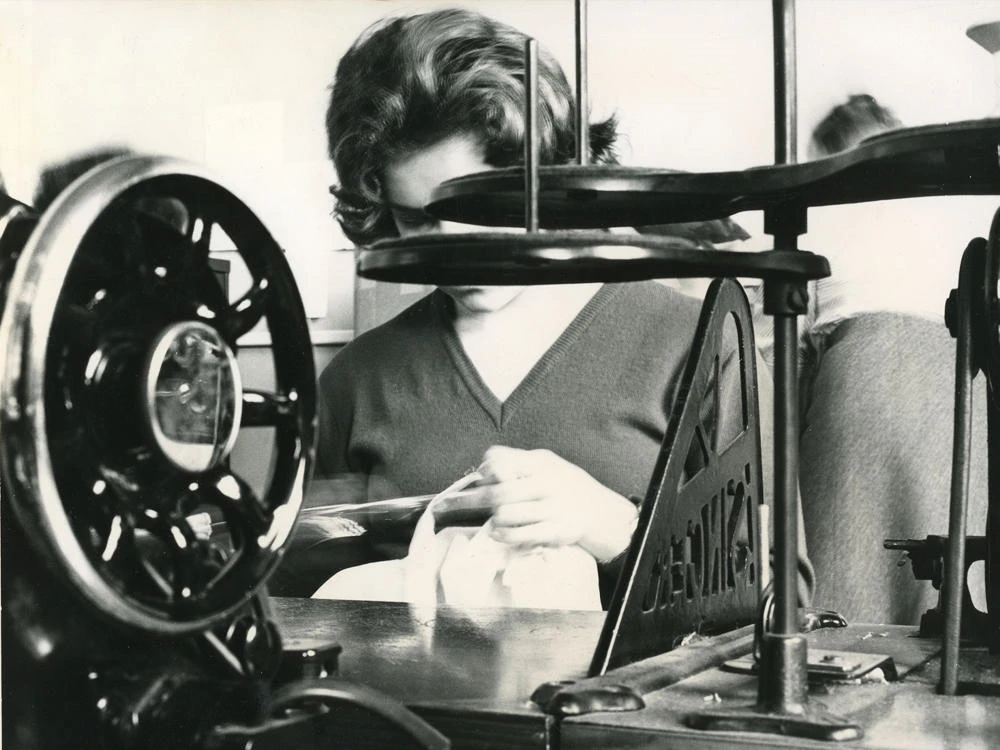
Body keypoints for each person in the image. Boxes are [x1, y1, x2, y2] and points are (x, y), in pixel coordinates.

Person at [285, 7, 813, 609]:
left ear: (550, 180)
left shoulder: (697, 347)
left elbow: (782, 604)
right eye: (418, 218)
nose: (454, 251)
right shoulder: (356, 382)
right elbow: (298, 608)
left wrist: (614, 529)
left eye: (481, 206)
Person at [798, 94, 991, 624]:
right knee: (955, 602)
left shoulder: (831, 217)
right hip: (972, 383)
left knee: (844, 619)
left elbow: (778, 346)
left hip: (869, 373)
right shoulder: (955, 211)